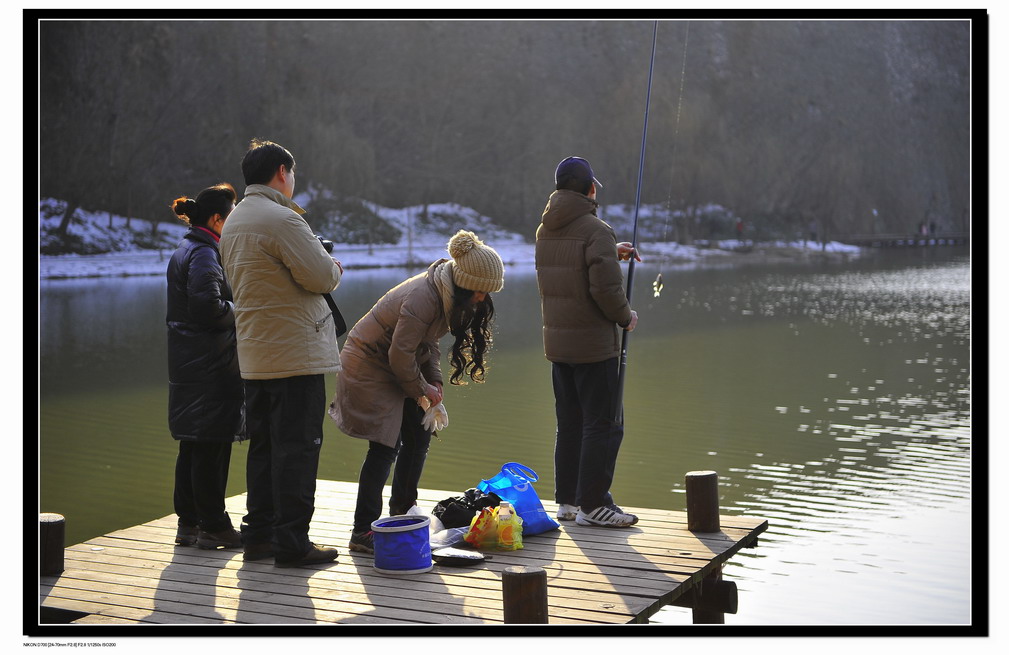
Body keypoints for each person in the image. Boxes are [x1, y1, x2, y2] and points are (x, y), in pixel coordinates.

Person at [330, 230, 504, 554]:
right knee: (385, 444)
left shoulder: (446, 292)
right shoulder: (425, 295)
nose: (482, 298)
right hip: (368, 362)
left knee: (419, 435)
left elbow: (428, 343)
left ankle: (403, 512)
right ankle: (361, 532)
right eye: (480, 291)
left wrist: (434, 382)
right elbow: (400, 354)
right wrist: (421, 389)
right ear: (466, 282)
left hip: (396, 362)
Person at [219, 139, 344, 568]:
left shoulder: (234, 220)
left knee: (264, 449)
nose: (293, 180)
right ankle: (293, 544)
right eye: (292, 173)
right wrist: (335, 266)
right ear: (280, 173)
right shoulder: (282, 219)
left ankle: (259, 536)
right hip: (295, 354)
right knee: (299, 449)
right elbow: (321, 276)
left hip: (255, 355)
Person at [535, 156, 640, 528]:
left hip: (559, 345)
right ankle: (594, 504)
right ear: (590, 188)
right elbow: (605, 289)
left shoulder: (545, 230)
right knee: (605, 423)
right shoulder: (597, 230)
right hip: (593, 347)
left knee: (571, 423)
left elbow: (569, 270)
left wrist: (610, 252)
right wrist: (626, 316)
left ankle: (567, 501)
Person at [166, 183, 244, 550]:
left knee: (194, 445)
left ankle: (189, 524)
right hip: (211, 366)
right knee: (213, 444)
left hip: (189, 363)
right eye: (233, 216)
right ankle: (214, 523)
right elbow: (207, 308)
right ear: (217, 219)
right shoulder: (204, 254)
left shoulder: (189, 248)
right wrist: (241, 311)